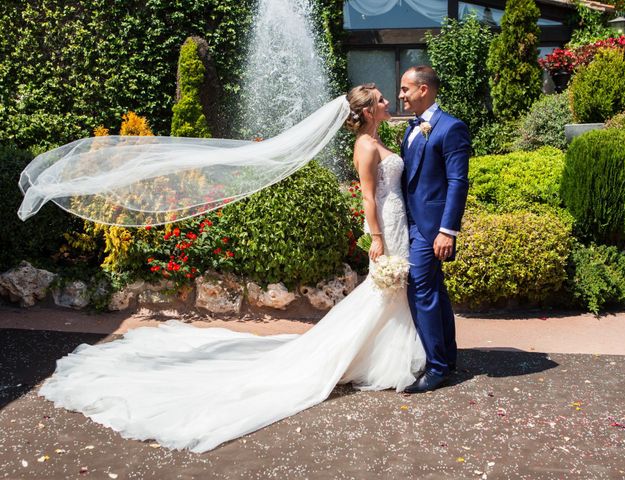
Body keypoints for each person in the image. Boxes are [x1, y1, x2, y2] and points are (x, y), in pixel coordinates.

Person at [38, 84, 426, 453]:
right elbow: (368, 196)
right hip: (386, 227)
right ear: (366, 111)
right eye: (380, 99)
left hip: (398, 221)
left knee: (388, 291)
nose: (388, 102)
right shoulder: (364, 146)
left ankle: (379, 354)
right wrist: (375, 235)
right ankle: (379, 358)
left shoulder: (379, 140)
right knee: (386, 289)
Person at [398, 66, 471, 394]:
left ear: (424, 89)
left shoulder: (451, 128)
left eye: (405, 88)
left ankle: (437, 367)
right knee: (435, 292)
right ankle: (448, 358)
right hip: (411, 223)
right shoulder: (411, 129)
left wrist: (447, 231)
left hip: (432, 229)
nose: (401, 95)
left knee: (421, 292)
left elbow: (458, 182)